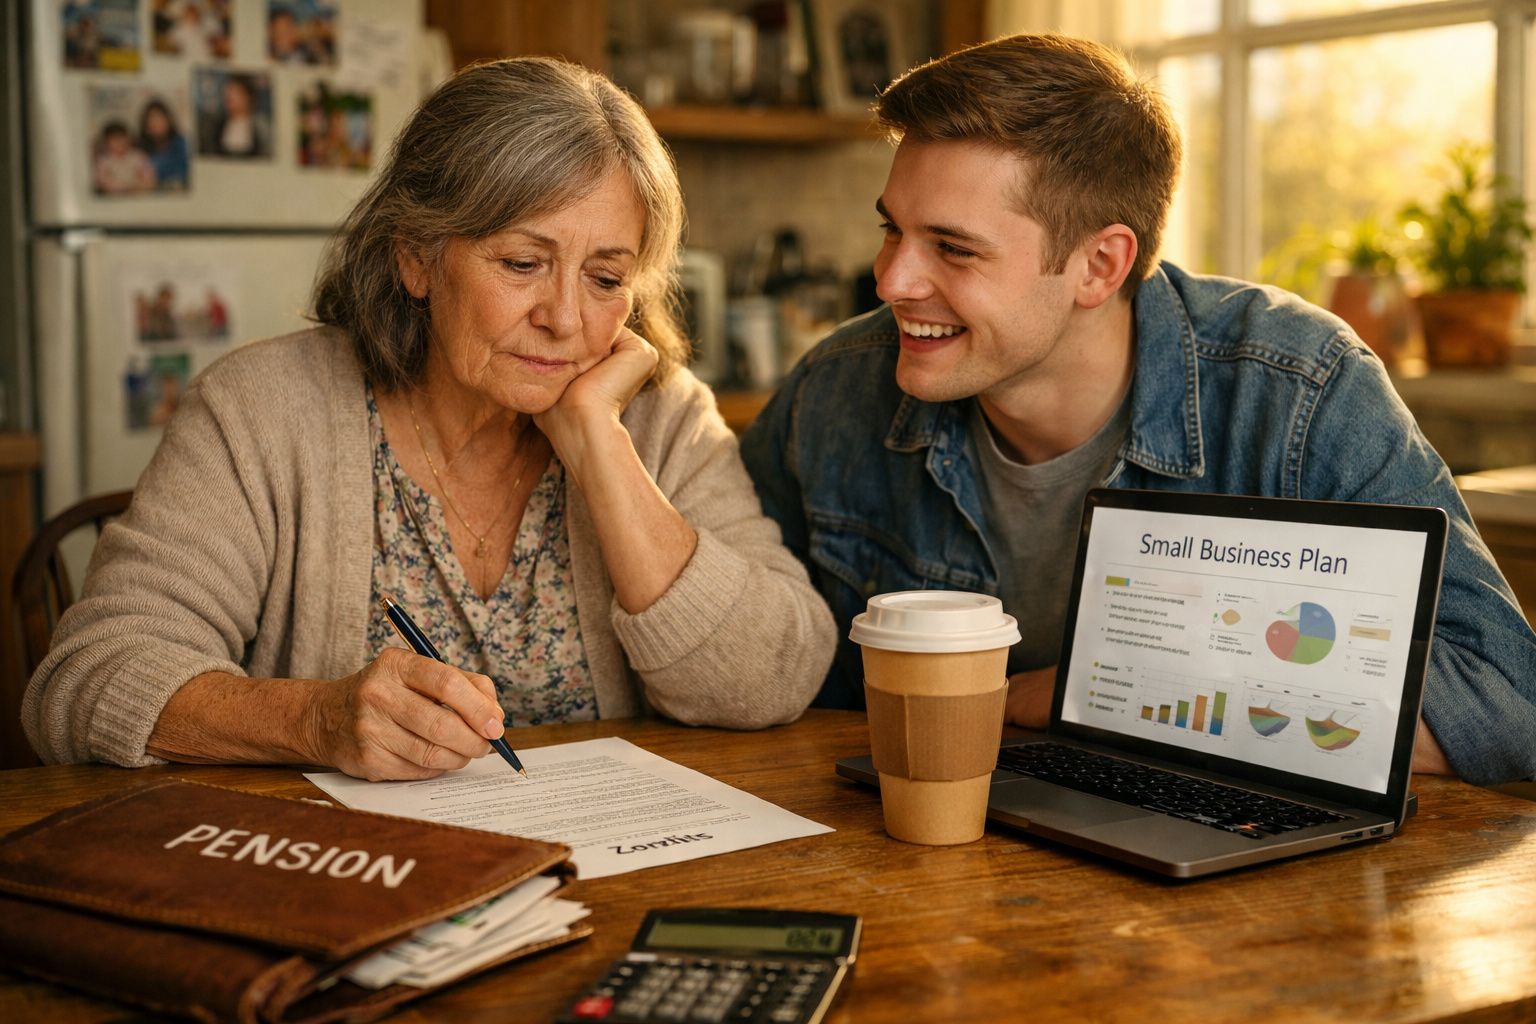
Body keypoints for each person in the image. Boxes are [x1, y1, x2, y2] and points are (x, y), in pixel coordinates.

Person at [739, 33, 1536, 786]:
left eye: (952, 248)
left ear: (1099, 264)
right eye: (892, 231)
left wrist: (1079, 694)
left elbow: (1506, 701)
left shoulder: (1296, 390)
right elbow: (724, 630)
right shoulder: (836, 389)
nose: (891, 281)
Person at [25, 57, 837, 781]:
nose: (564, 317)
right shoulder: (260, 411)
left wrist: (600, 444)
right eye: (522, 263)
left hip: (610, 879)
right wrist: (314, 721)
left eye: (604, 276)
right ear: (415, 257)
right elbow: (87, 681)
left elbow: (776, 675)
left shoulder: (660, 421)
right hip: (342, 893)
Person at [92, 121, 155, 195]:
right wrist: (124, 188)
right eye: (114, 139)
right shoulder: (104, 161)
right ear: (106, 142)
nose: (119, 142)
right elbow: (102, 182)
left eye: (122, 138)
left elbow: (149, 178)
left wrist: (138, 187)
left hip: (138, 196)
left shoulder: (138, 156)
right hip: (113, 200)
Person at [139, 99, 189, 190]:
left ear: (169, 120)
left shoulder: (183, 144)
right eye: (151, 119)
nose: (155, 123)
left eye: (159, 117)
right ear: (146, 127)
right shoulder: (141, 153)